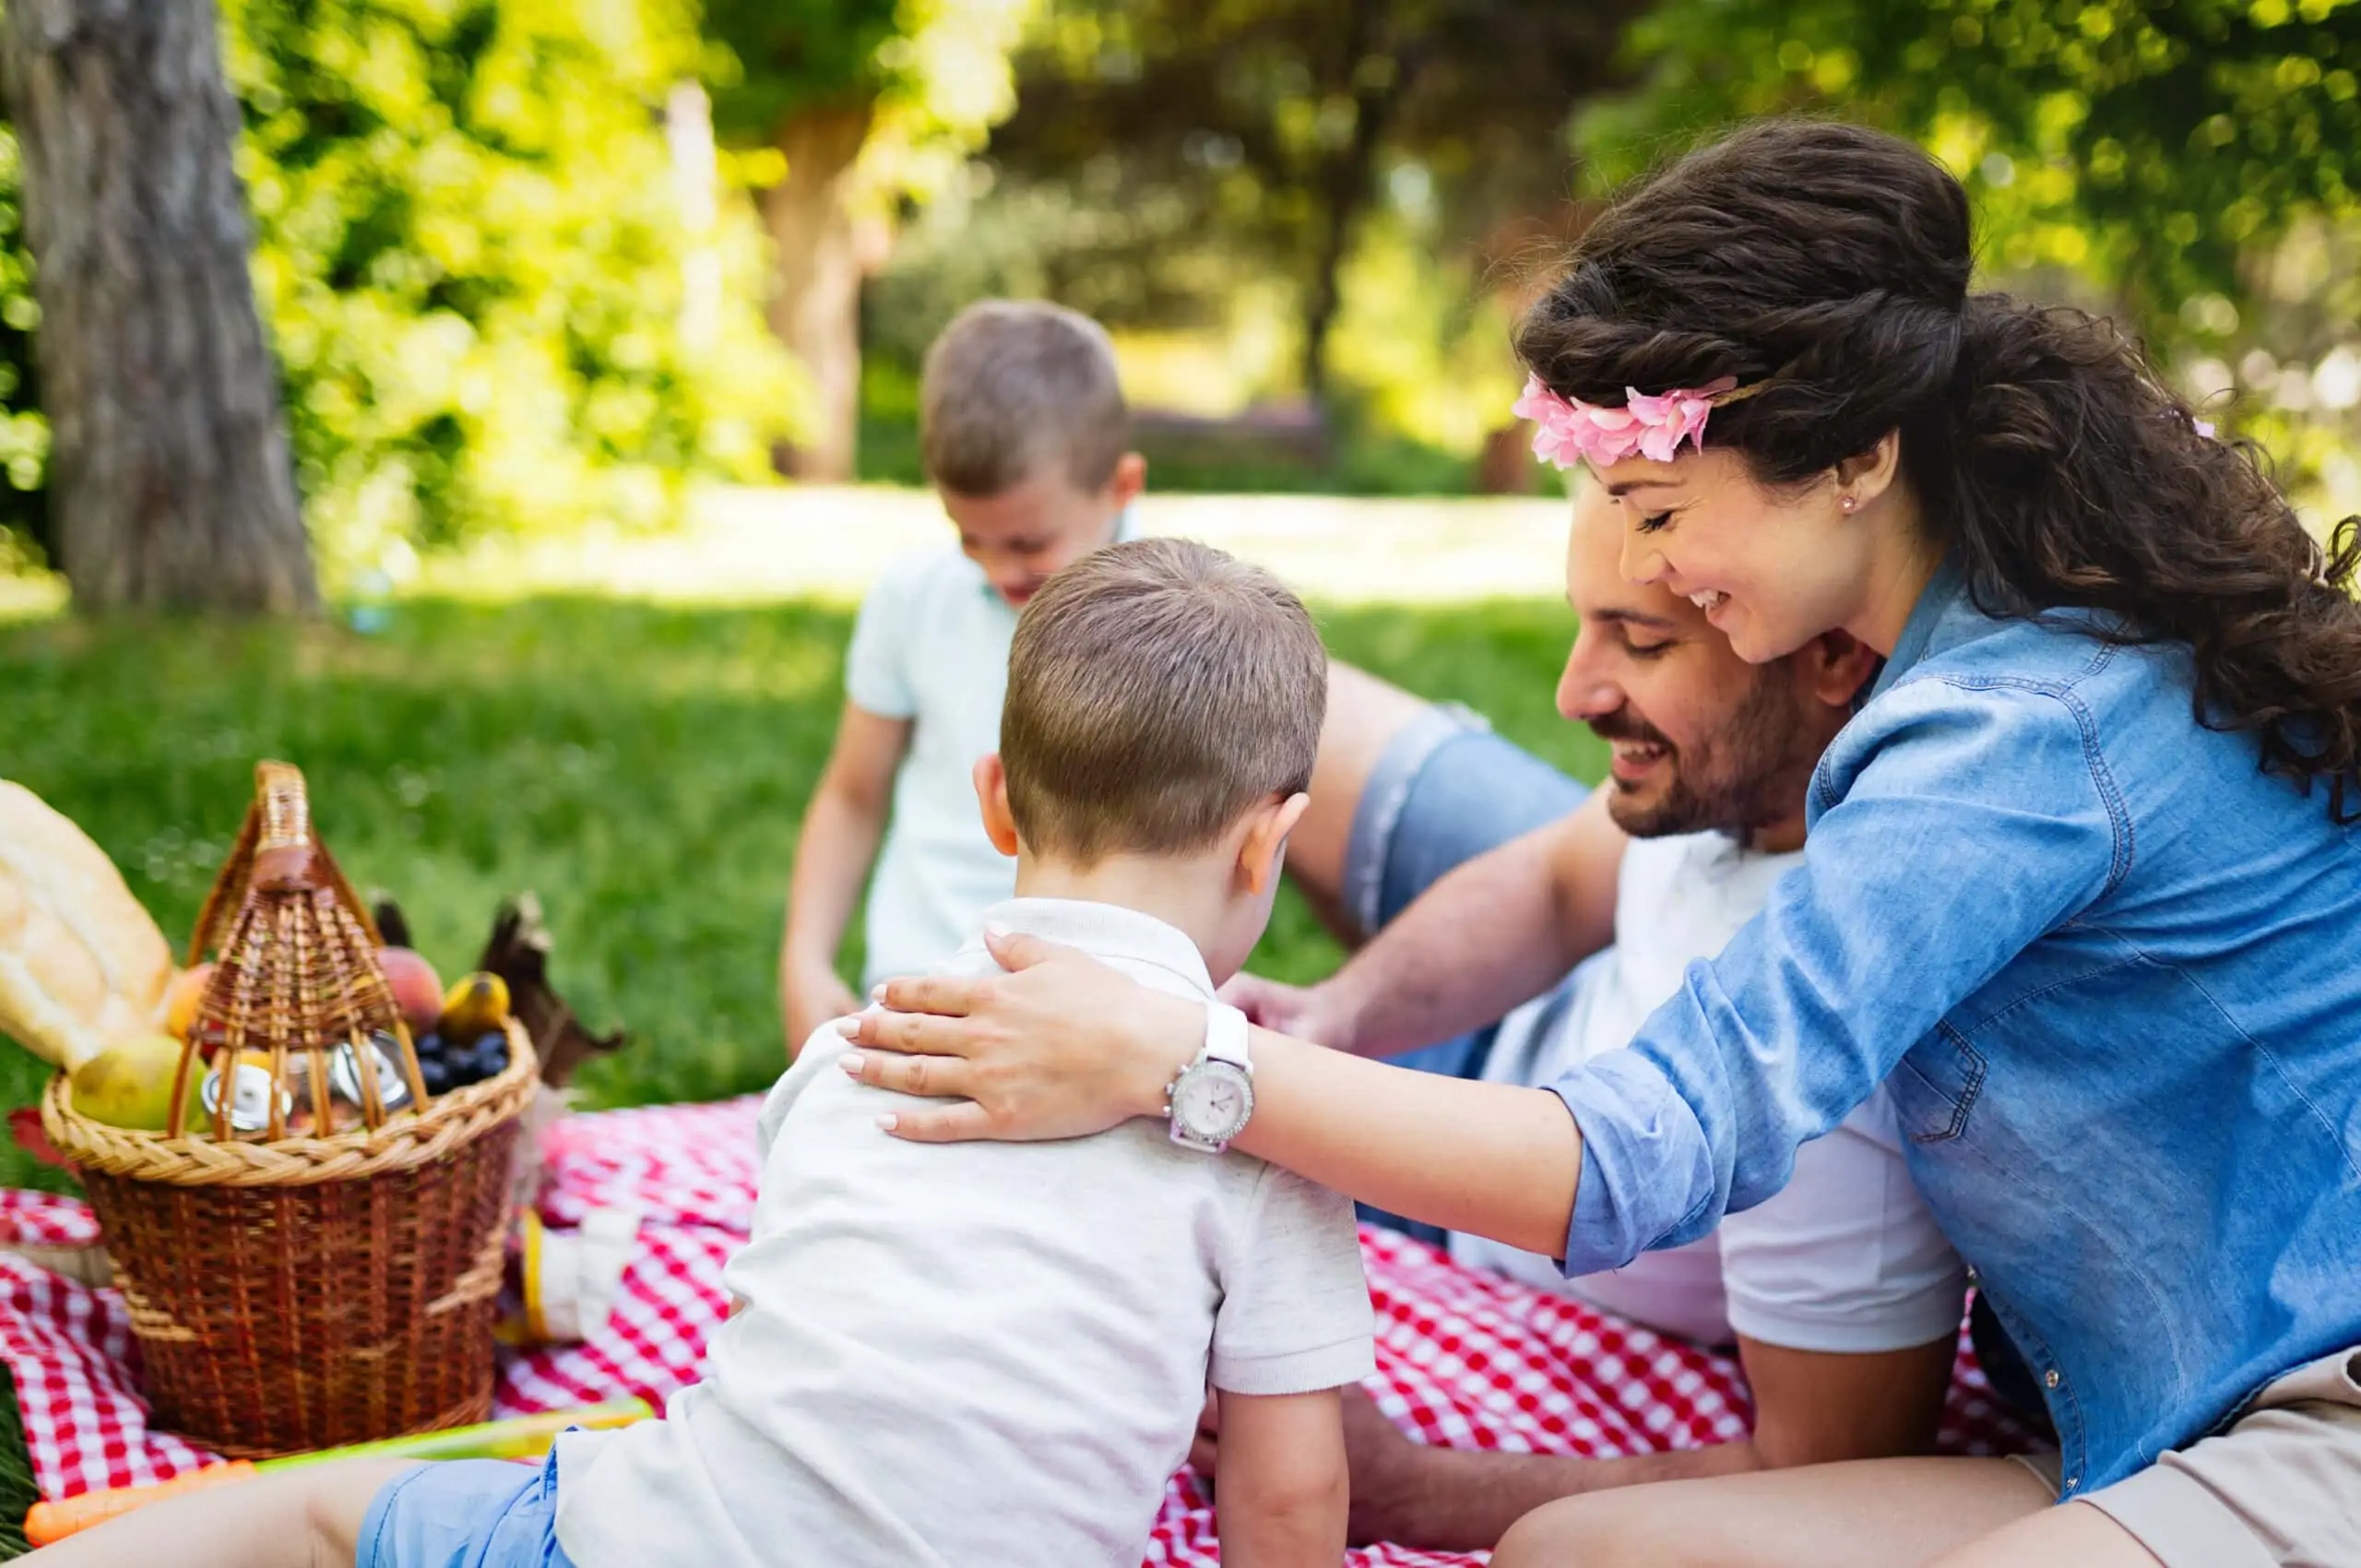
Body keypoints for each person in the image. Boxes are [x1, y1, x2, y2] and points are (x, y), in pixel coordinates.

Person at [838, 119, 2361, 1568]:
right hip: (2141, 1415)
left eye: (1656, 509)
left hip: (2316, 1401)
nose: (1647, 575)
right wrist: (1317, 1030)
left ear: (1858, 462)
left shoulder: (2015, 733)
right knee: (1567, 1552)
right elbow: (1589, 869)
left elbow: (1646, 1152)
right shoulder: (1941, 664)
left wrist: (1180, 1059)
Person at [35, 539, 1372, 1568]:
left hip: (660, 1542)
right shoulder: (1261, 1126)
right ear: (1273, 839)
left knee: (323, 1516)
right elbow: (1290, 1492)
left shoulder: (858, 1048)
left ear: (994, 802)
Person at [1194, 482, 1966, 1551]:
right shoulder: (1729, 776)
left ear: (1828, 648)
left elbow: (1816, 1467)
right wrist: (1335, 1016)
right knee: (1241, 690)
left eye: (1639, 641)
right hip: (1518, 1019)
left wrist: (1410, 1486)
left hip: (1486, 1173)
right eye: (1583, 622)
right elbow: (1560, 882)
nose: (1569, 690)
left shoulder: (1831, 1035)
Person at [779, 298, 1146, 1051]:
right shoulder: (916, 595)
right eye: (966, 537)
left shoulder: (1176, 616)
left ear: (1121, 487)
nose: (994, 567)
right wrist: (805, 956)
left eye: (1027, 542)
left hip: (1106, 1011)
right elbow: (853, 794)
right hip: (922, 989)